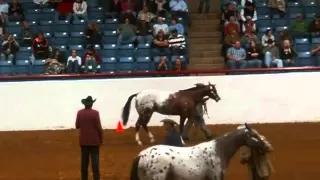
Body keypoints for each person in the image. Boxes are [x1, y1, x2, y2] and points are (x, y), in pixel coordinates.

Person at [75, 96, 103, 180]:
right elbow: (99, 127)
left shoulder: (79, 113)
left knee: (84, 163)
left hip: (84, 141)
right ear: (91, 104)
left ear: (84, 104)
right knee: (95, 164)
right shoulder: (95, 113)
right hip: (94, 141)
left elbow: (77, 126)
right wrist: (101, 139)